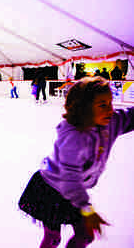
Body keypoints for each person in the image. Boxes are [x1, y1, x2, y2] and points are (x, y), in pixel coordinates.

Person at [18, 76, 134, 248]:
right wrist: (87, 210)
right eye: (103, 105)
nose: (110, 110)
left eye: (110, 103)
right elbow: (69, 178)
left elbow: (129, 116)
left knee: (85, 236)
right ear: (84, 108)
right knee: (53, 237)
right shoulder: (74, 136)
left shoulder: (111, 122)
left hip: (73, 192)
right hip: (50, 189)